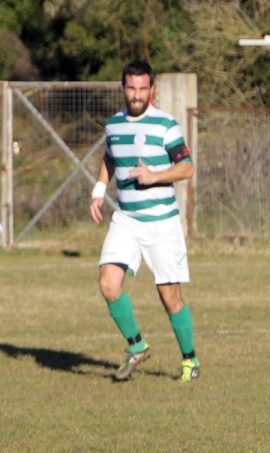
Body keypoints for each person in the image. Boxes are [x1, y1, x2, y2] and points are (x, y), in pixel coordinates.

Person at [89, 59, 199, 382]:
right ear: (123, 88)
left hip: (162, 223)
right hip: (126, 219)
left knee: (170, 297)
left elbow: (187, 167)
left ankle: (190, 360)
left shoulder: (165, 126)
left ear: (152, 89)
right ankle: (137, 345)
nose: (136, 95)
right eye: (131, 88)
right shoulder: (113, 125)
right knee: (108, 284)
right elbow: (110, 158)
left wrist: (154, 176)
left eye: (142, 88)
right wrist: (98, 190)